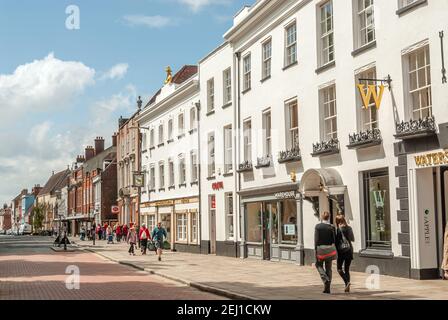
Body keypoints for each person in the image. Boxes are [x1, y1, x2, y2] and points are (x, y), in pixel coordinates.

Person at [314, 211, 337, 294]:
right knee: (328, 268)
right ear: (329, 217)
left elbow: (316, 240)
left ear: (321, 217)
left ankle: (325, 279)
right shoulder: (332, 227)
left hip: (320, 249)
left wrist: (315, 250)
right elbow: (334, 239)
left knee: (318, 265)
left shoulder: (318, 226)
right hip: (329, 249)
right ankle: (327, 288)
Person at [335, 213, 355, 292]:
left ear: (337, 221)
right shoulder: (349, 228)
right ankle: (347, 287)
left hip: (341, 252)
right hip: (349, 250)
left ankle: (347, 282)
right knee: (347, 269)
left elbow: (336, 242)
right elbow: (353, 239)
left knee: (339, 269)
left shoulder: (339, 230)